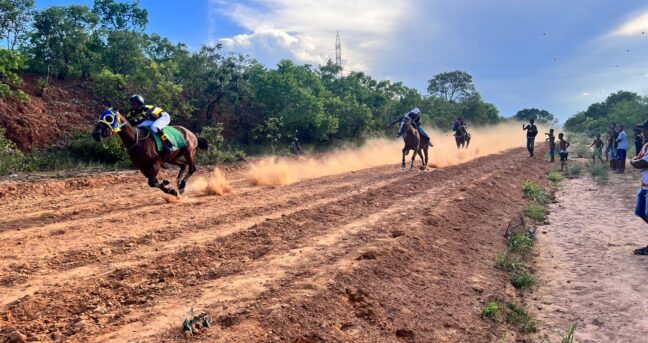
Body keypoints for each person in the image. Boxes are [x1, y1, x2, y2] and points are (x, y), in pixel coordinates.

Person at [630, 120, 648, 255]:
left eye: (644, 129)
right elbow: (639, 159)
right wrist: (635, 161)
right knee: (641, 212)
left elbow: (639, 162)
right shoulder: (646, 145)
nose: (643, 132)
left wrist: (633, 161)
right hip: (645, 185)